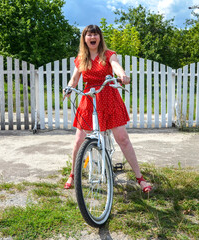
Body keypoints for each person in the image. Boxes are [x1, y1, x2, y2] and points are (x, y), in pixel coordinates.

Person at [63, 24, 152, 193]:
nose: (92, 37)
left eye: (95, 34)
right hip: (89, 98)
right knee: (78, 140)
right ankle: (73, 175)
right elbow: (74, 79)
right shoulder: (81, 58)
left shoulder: (108, 55)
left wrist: (122, 75)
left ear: (100, 38)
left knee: (122, 138)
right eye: (89, 34)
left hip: (108, 96)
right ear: (84, 38)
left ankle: (140, 178)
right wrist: (68, 88)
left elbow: (116, 66)